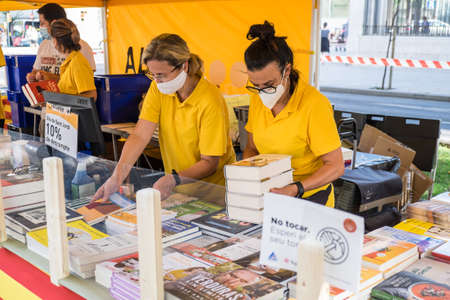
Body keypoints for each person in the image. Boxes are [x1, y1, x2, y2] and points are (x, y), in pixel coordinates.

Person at [93, 33, 235, 202]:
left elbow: (209, 163)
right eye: (152, 75)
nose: (157, 81)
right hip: (179, 193)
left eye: (161, 75)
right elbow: (139, 135)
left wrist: (172, 180)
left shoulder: (210, 99)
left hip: (214, 195)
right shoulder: (158, 88)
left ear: (184, 66)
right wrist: (116, 178)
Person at [243, 21, 344, 208]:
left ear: (287, 70)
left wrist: (295, 188)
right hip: (269, 196)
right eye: (256, 85)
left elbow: (336, 166)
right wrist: (248, 177)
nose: (262, 92)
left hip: (310, 198)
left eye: (269, 84)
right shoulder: (257, 99)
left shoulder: (314, 105)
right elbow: (251, 148)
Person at [26, 3, 95, 83]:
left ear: (53, 23)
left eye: (42, 23)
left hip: (68, 95)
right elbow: (36, 70)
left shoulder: (82, 47)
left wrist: (54, 78)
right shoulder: (44, 44)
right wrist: (33, 76)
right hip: (46, 94)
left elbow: (86, 82)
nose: (40, 27)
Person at [46, 18, 96, 100]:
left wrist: (60, 99)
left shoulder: (77, 63)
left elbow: (91, 96)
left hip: (77, 113)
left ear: (57, 40)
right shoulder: (70, 61)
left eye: (52, 38)